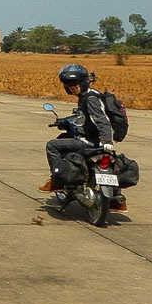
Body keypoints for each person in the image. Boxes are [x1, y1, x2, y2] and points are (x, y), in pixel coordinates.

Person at [38, 64, 126, 212]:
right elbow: (83, 118)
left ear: (83, 82)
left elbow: (100, 119)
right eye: (69, 84)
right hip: (98, 142)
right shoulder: (89, 96)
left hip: (90, 142)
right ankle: (117, 197)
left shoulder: (90, 98)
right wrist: (65, 121)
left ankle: (57, 181)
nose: (73, 87)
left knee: (53, 145)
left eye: (75, 84)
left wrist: (106, 141)